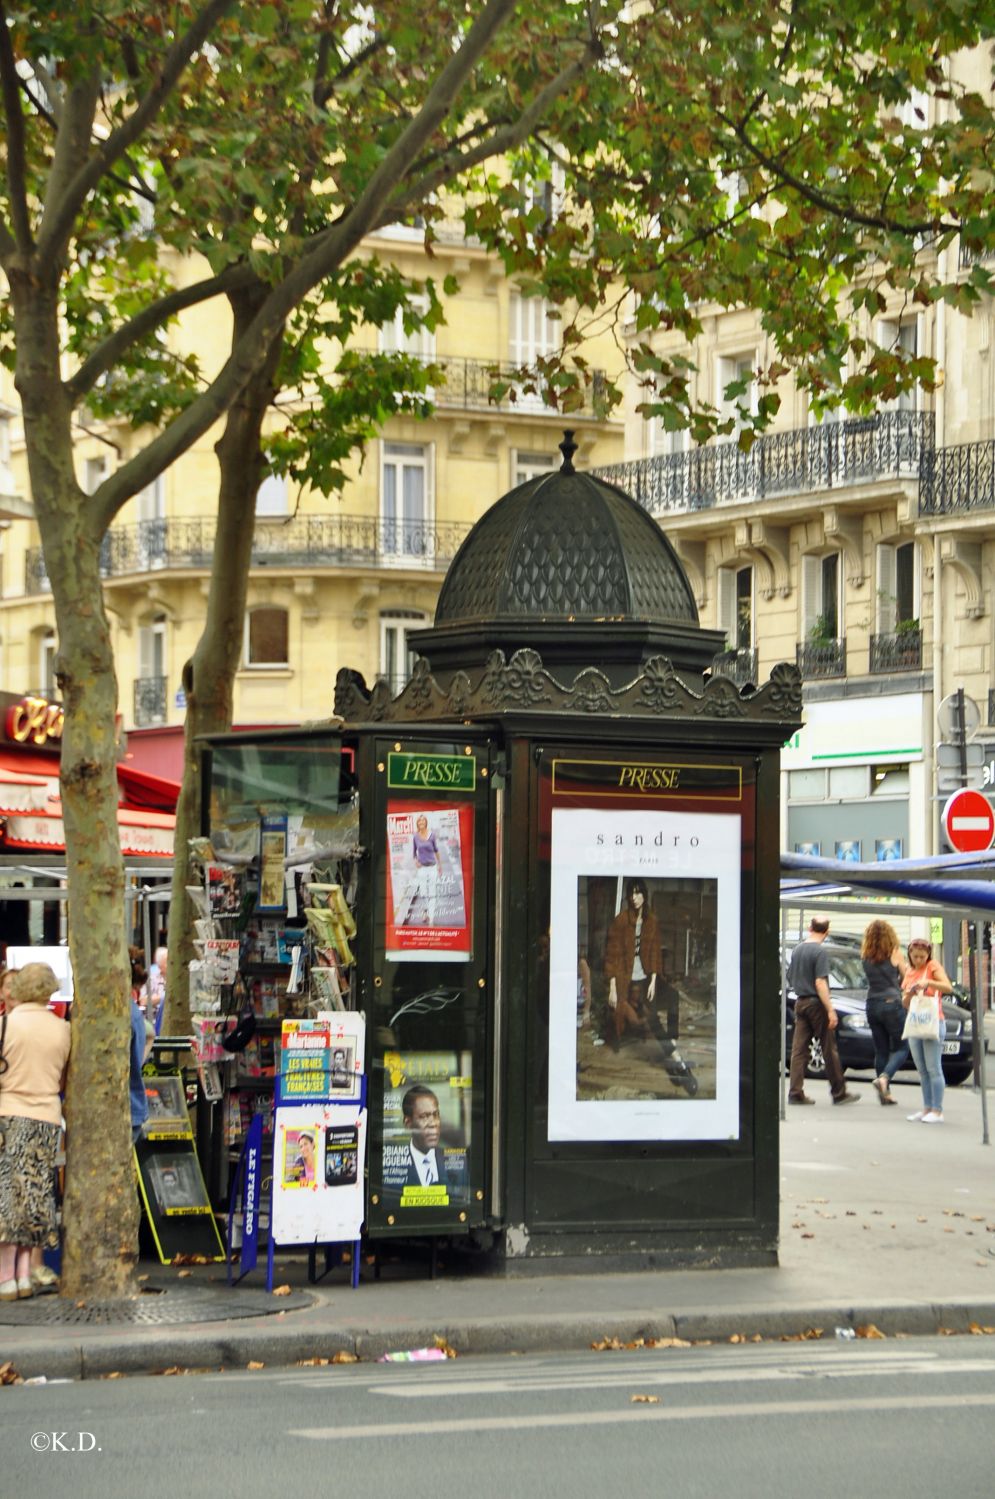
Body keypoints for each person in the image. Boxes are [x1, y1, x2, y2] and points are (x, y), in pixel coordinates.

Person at [0, 963, 71, 1301]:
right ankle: (26, 1275)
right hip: (46, 1118)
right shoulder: (63, 1030)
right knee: (35, 1196)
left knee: (6, 1198)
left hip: (8, 1116)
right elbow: (61, 1081)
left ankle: (5, 1277)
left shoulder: (5, 1025)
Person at [603, 879, 698, 1096]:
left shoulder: (651, 921)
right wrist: (612, 988)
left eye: (638, 893)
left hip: (646, 977)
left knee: (673, 997)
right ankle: (679, 1065)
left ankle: (672, 1043)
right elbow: (612, 955)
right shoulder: (620, 922)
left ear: (644, 895)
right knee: (652, 1018)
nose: (635, 898)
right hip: (627, 979)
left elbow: (655, 951)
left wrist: (654, 980)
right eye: (632, 894)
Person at [787, 917, 859, 1106]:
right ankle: (839, 1092)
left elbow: (790, 976)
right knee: (828, 1048)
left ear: (810, 928)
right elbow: (820, 982)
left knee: (799, 1050)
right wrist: (830, 1010)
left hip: (800, 1001)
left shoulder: (797, 950)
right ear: (826, 932)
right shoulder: (819, 952)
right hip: (816, 1004)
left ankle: (795, 1091)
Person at [901, 938, 954, 1124]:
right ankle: (927, 1108)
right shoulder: (909, 971)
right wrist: (910, 993)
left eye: (922, 957)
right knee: (923, 1070)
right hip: (916, 1022)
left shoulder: (932, 965)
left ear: (928, 955)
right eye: (915, 956)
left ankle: (937, 1110)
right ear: (910, 955)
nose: (918, 960)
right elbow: (905, 1003)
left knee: (933, 1067)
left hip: (934, 1021)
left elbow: (948, 986)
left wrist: (928, 983)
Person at [861, 919, 909, 1105]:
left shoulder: (865, 955)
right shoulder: (895, 953)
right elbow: (906, 979)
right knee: (902, 1047)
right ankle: (884, 1078)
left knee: (880, 1050)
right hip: (891, 1002)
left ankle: (885, 1094)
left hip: (871, 1003)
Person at [400, 1085, 449, 1187]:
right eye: (424, 1116)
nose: (433, 1123)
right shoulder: (396, 1166)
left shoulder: (455, 1163)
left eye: (436, 1115)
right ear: (408, 1123)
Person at [406, 815, 442, 927]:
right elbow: (413, 853)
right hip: (421, 868)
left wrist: (440, 865)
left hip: (432, 867)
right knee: (423, 892)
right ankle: (426, 911)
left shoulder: (432, 835)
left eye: (423, 821)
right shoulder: (415, 837)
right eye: (419, 822)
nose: (421, 823)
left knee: (432, 893)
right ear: (418, 824)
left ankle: (431, 918)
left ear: (426, 823)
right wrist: (415, 861)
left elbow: (436, 850)